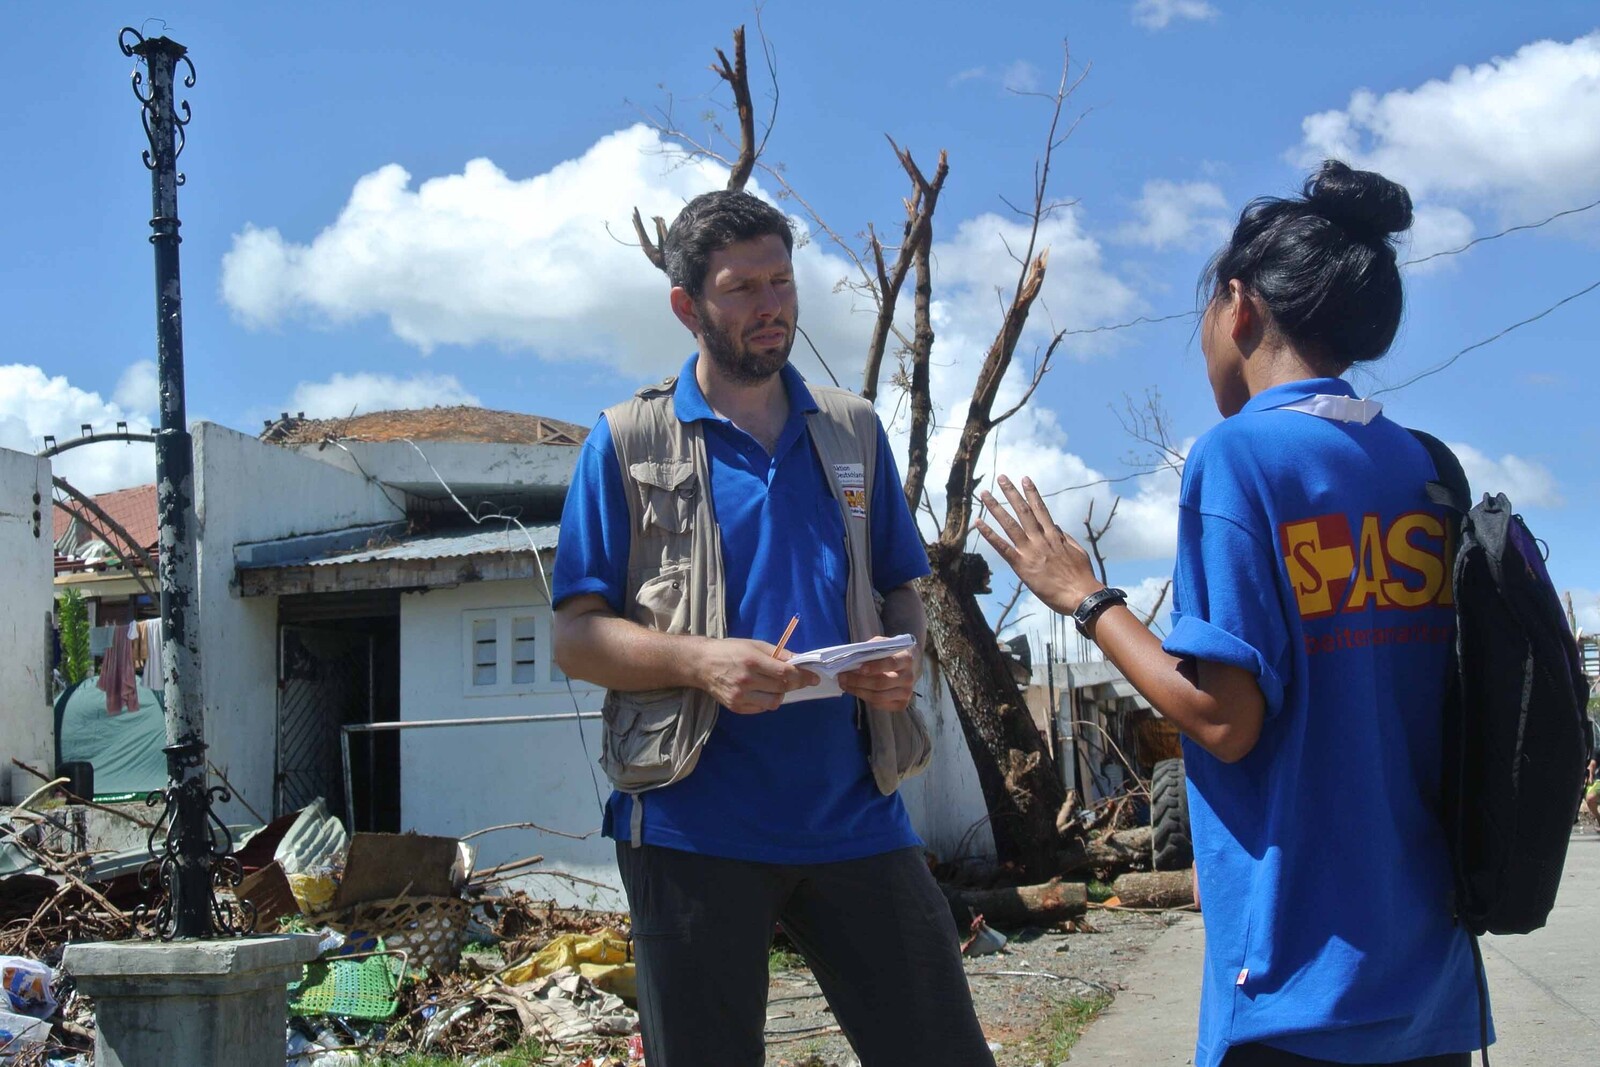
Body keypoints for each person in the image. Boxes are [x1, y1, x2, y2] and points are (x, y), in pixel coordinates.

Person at [975, 161, 1486, 1067]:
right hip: (1430, 971)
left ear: (1238, 306)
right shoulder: (1426, 468)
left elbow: (1225, 718)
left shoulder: (1241, 457)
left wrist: (1085, 597)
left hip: (1297, 981)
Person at [552, 189, 995, 1067]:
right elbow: (576, 637)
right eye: (742, 287)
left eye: (782, 282)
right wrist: (702, 662)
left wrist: (902, 657)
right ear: (687, 306)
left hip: (856, 812)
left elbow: (902, 589)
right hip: (689, 823)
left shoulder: (852, 430)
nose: (771, 306)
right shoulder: (627, 442)